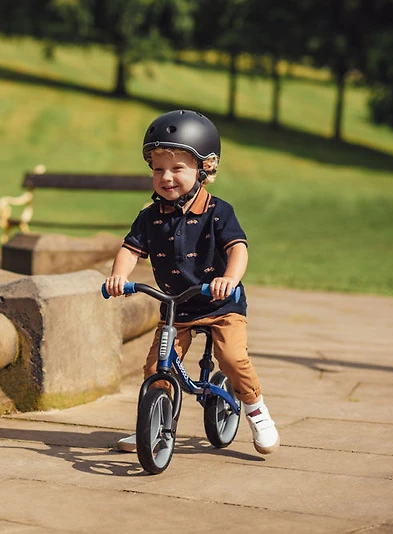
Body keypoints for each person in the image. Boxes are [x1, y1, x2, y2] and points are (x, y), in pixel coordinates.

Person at [104, 110, 279, 455]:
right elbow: (129, 249)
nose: (166, 177)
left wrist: (228, 279)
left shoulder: (218, 211)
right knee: (157, 366)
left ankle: (256, 410)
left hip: (220, 303)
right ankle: (152, 425)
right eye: (157, 169)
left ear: (205, 168)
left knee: (231, 357)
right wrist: (118, 277)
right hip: (178, 307)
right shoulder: (150, 217)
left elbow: (238, 249)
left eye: (177, 168)